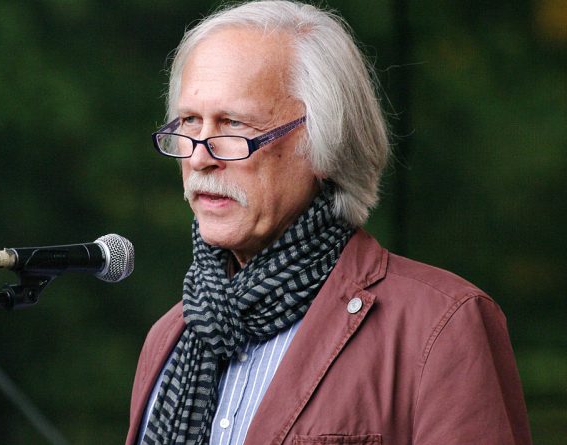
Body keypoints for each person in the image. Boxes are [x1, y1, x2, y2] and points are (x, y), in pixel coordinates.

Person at [126, 1, 532, 444]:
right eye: (189, 121)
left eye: (234, 124)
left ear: (324, 144)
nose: (200, 157)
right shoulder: (171, 337)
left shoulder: (440, 324)